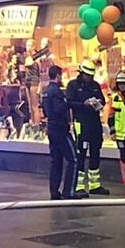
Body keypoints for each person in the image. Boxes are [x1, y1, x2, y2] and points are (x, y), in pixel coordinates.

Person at [66, 60, 108, 196]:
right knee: (81, 154)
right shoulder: (73, 85)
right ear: (81, 73)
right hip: (81, 123)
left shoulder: (95, 85)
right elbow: (70, 102)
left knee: (95, 152)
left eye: (91, 75)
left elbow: (103, 99)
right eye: (87, 75)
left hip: (94, 123)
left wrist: (98, 102)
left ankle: (95, 185)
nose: (89, 78)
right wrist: (84, 104)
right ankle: (78, 186)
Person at [40, 65, 81, 200]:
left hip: (51, 128)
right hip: (60, 130)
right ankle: (68, 191)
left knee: (56, 161)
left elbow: (46, 111)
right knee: (74, 159)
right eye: (61, 76)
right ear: (58, 76)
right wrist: (68, 106)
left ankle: (54, 191)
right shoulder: (56, 91)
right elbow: (59, 108)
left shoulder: (46, 91)